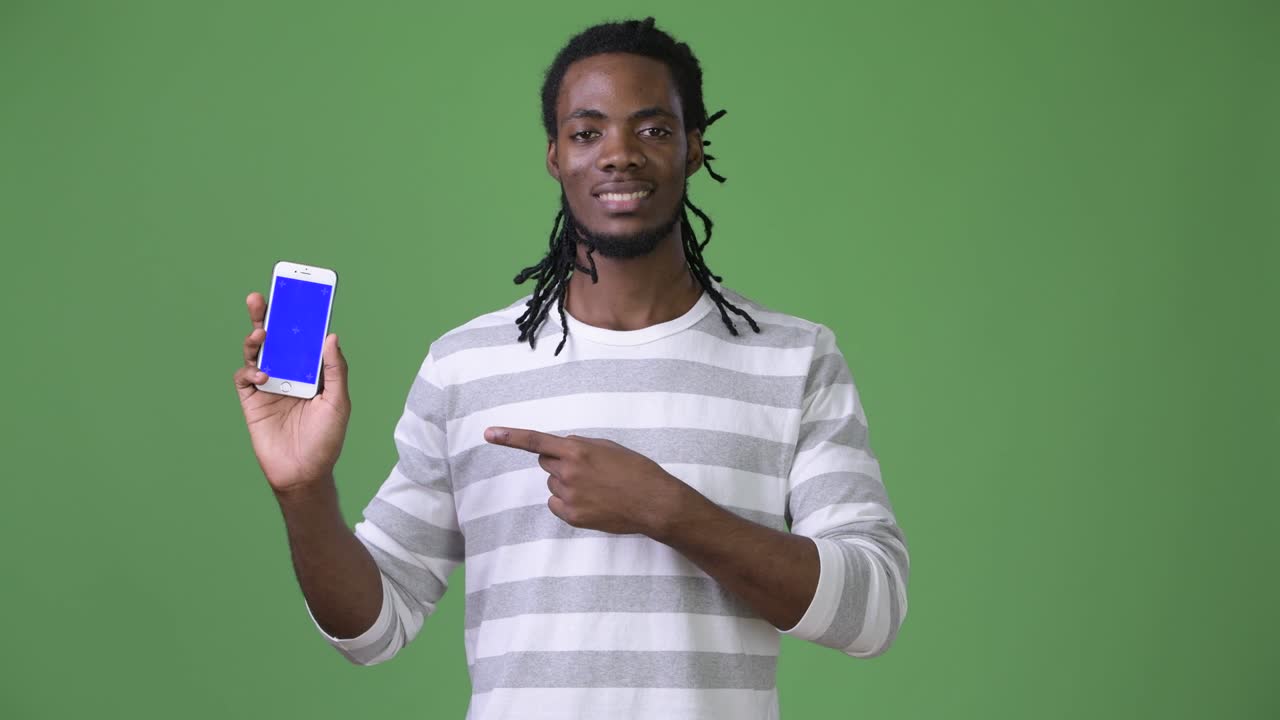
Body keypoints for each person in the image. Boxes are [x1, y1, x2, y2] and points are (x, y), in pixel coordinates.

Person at [233, 17, 909, 720]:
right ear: (554, 156)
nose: (618, 154)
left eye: (651, 129)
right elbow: (371, 628)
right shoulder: (466, 366)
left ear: (695, 147)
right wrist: (304, 492)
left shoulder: (794, 358)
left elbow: (873, 609)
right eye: (587, 133)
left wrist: (666, 510)